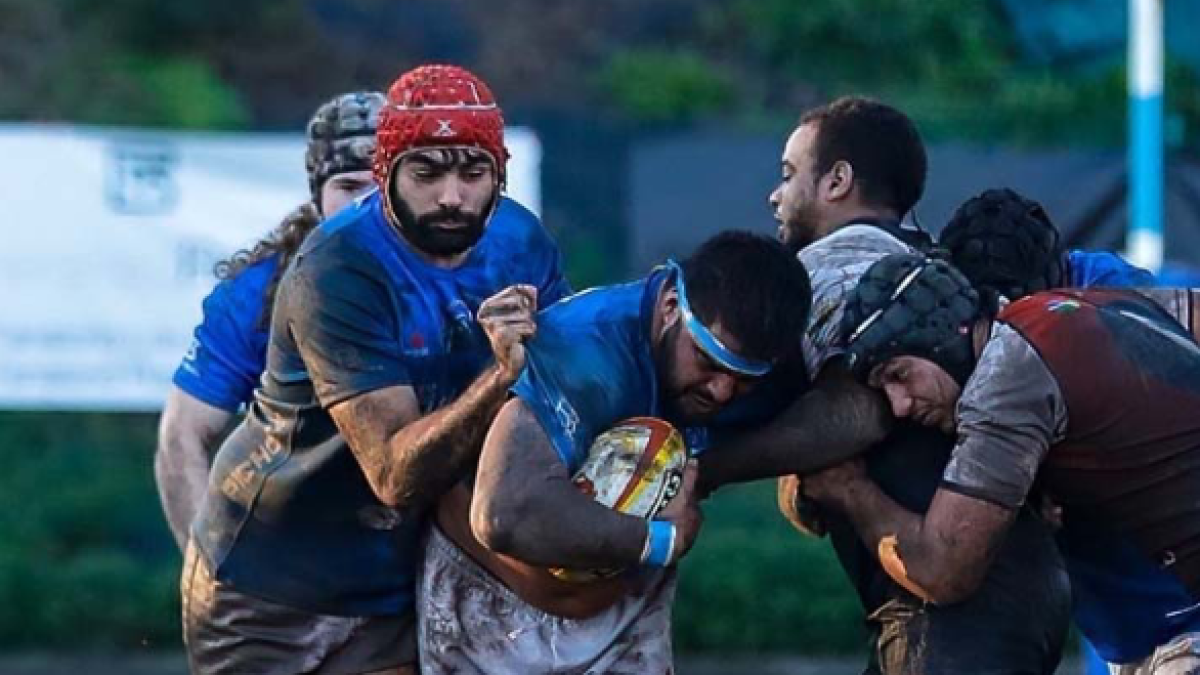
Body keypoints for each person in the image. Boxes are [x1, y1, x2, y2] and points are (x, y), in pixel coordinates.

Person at [181, 64, 571, 675]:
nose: (451, 195)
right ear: (386, 175)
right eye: (427, 172)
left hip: (398, 576)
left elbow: (563, 392)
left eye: (473, 172)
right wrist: (500, 378)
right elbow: (393, 471)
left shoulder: (521, 242)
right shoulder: (338, 266)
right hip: (269, 586)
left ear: (500, 175)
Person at [700, 97, 1073, 675]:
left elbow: (862, 411)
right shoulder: (920, 268)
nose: (775, 195)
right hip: (1010, 594)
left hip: (956, 615)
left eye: (789, 174)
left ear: (838, 180)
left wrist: (706, 467)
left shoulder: (837, 264)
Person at [420, 231, 812, 674]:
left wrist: (708, 470)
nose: (722, 391)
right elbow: (503, 515)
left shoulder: (759, 371)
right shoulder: (584, 351)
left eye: (744, 379)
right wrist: (664, 539)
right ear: (670, 308)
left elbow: (846, 419)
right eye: (707, 362)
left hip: (626, 621)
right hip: (490, 618)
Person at [813, 252, 1200, 674]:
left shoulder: (1007, 379)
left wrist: (849, 490)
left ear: (941, 334)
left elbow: (944, 569)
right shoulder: (1076, 306)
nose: (900, 405)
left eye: (899, 375)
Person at [155, 90, 385, 551]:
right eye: (349, 187)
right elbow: (181, 437)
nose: (367, 206)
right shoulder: (256, 294)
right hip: (301, 535)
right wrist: (209, 569)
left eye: (380, 187)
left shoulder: (466, 271)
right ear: (317, 197)